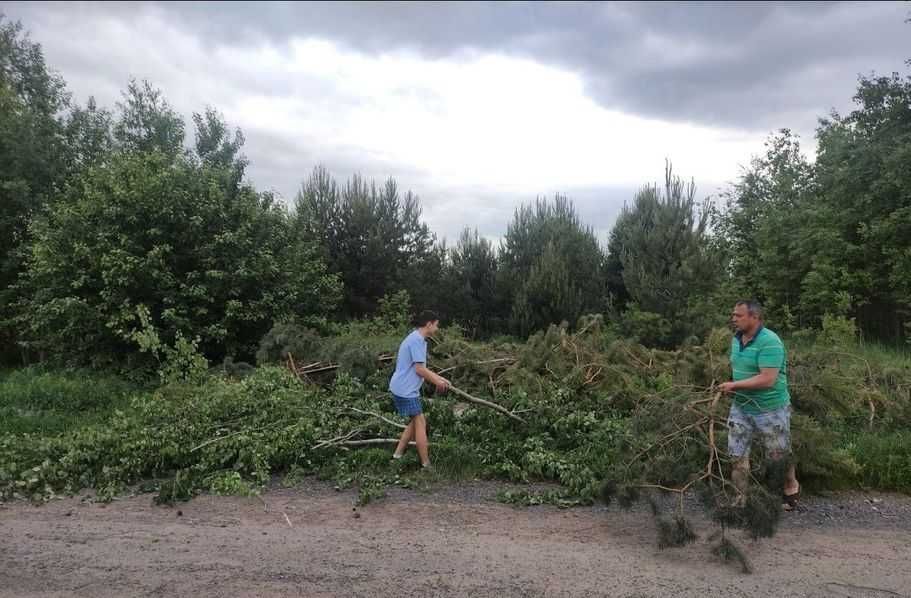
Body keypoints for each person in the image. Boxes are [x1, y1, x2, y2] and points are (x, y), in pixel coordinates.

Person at [718, 300, 800, 510]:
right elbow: (740, 368)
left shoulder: (770, 341)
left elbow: (767, 379)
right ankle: (740, 499)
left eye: (739, 315)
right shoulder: (736, 340)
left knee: (778, 454)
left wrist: (735, 385)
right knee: (736, 454)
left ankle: (790, 485)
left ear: (754, 317)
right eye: (733, 315)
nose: (733, 319)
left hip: (770, 408)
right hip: (741, 407)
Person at [389, 310, 450, 468]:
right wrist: (437, 381)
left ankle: (397, 455)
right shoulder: (416, 340)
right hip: (405, 389)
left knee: (414, 422)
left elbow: (421, 368)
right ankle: (426, 464)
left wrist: (440, 379)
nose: (437, 329)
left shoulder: (419, 339)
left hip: (404, 388)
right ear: (429, 324)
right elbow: (419, 370)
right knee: (420, 422)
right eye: (436, 325)